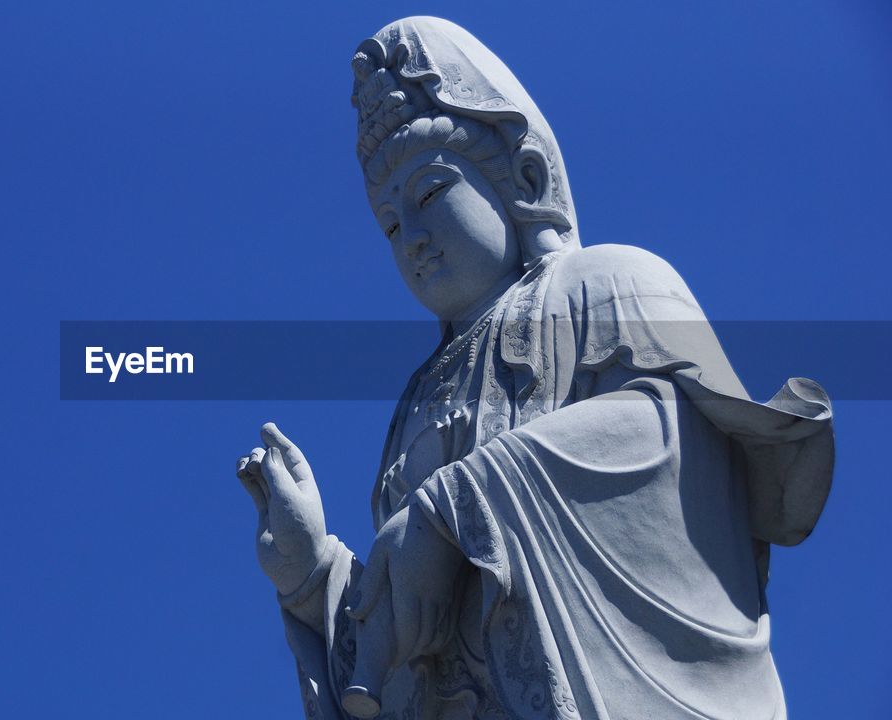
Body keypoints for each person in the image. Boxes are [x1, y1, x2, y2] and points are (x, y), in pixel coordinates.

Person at [235, 16, 834, 720]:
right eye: (392, 226)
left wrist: (450, 509)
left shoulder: (607, 282)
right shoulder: (414, 409)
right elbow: (403, 667)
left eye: (429, 194)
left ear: (522, 179)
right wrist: (312, 578)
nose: (415, 240)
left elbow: (675, 442)